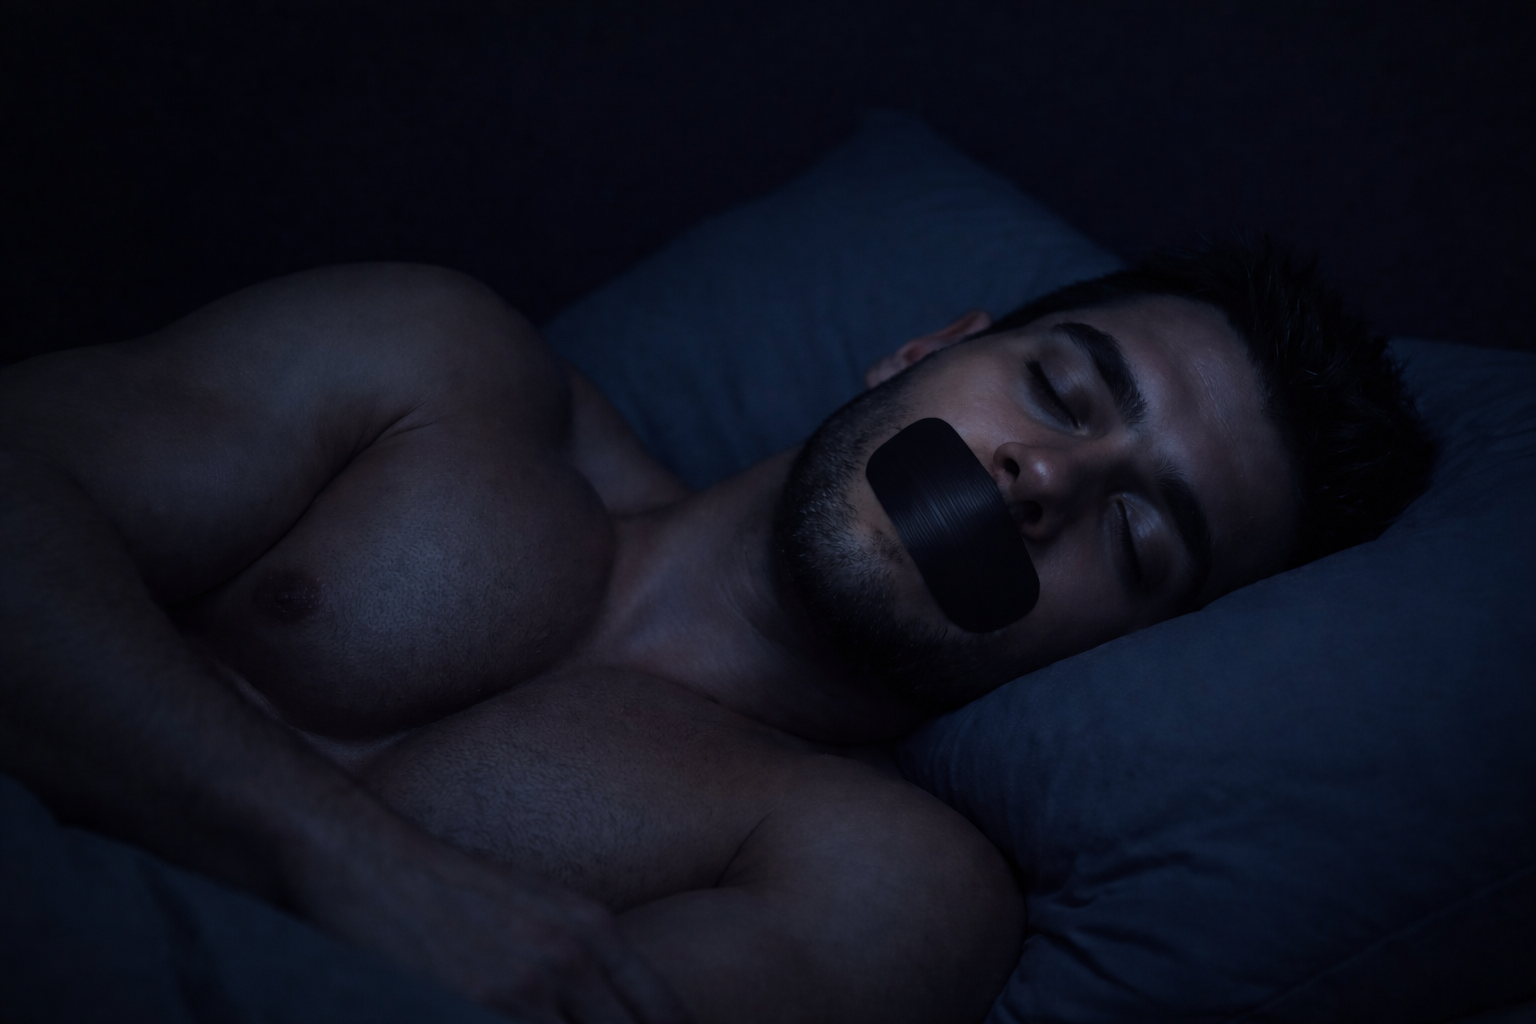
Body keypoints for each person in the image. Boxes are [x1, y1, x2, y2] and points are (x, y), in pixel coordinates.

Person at [0, 237, 1433, 1024]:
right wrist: (338, 863)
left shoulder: (880, 886)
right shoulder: (435, 373)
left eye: (1139, 539)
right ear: (924, 352)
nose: (1043, 482)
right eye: (1060, 394)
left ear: (1131, 654)